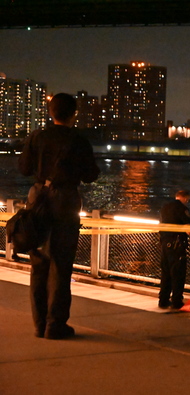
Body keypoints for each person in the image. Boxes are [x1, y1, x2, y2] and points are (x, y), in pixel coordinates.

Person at [18, 93, 100, 339]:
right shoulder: (79, 140)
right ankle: (56, 324)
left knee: (39, 262)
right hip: (65, 199)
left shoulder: (37, 137)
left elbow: (23, 168)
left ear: (50, 112)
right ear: (74, 114)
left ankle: (39, 323)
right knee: (61, 264)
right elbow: (90, 175)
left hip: (38, 198)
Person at [159, 190, 190, 309]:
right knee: (178, 273)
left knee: (166, 272)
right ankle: (177, 301)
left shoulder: (165, 207)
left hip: (164, 243)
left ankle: (163, 300)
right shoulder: (182, 209)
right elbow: (188, 229)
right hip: (177, 245)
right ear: (185, 198)